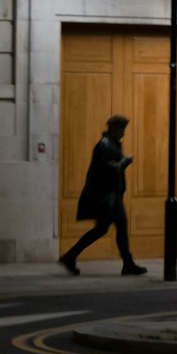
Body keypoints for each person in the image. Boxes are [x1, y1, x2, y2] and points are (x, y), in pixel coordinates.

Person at [59, 115, 148, 277]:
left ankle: (71, 256)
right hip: (108, 196)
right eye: (122, 129)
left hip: (111, 195)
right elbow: (108, 167)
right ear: (114, 129)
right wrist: (124, 163)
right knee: (119, 226)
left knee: (101, 229)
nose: (124, 133)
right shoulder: (104, 145)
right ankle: (127, 264)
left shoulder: (111, 144)